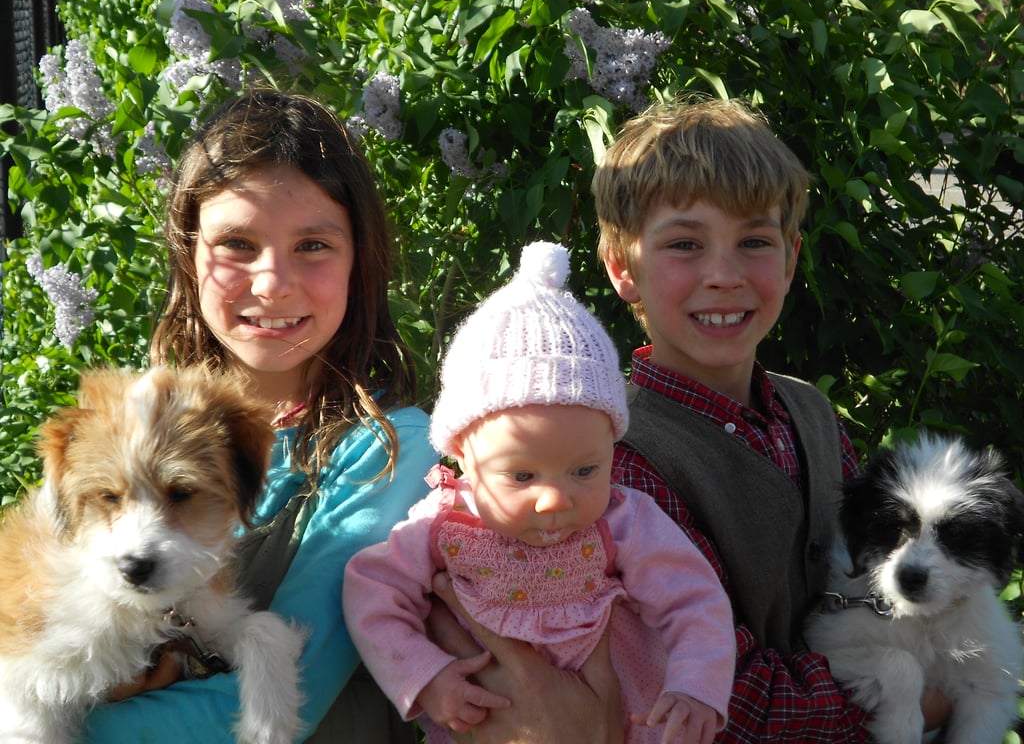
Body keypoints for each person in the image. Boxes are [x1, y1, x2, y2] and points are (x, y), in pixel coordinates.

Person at [77, 89, 438, 743]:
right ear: (189, 254)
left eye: (313, 245)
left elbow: (277, 702)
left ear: (360, 260)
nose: (273, 281)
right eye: (237, 244)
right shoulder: (130, 430)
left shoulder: (389, 454)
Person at [592, 95, 951, 741]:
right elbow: (720, 692)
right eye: (684, 244)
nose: (724, 275)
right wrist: (923, 703)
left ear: (789, 260)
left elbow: (876, 580)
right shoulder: (618, 455)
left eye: (754, 240)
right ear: (624, 268)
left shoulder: (807, 411)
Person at [344, 241, 736, 744]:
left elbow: (694, 601)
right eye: (523, 476)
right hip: (486, 721)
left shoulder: (622, 520)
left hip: (624, 720)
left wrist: (695, 686)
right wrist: (426, 676)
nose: (555, 500)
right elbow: (372, 590)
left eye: (585, 470)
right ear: (461, 450)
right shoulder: (440, 523)